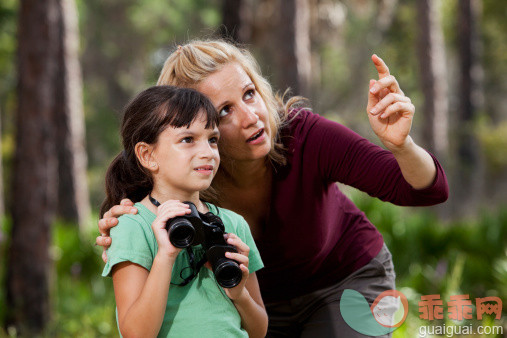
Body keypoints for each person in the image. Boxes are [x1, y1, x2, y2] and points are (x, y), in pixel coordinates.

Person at [97, 40, 449, 337]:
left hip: (344, 282)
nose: (251, 116)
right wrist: (116, 227)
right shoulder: (187, 170)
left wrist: (401, 146)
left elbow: (423, 191)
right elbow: (131, 225)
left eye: (249, 94)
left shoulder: (306, 136)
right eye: (224, 112)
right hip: (255, 306)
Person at [100, 85, 268, 337]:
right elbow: (135, 333)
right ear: (147, 155)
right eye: (187, 140)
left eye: (212, 140)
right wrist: (165, 256)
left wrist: (238, 292)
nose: (207, 153)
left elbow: (259, 331)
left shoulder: (233, 224)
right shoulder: (133, 225)